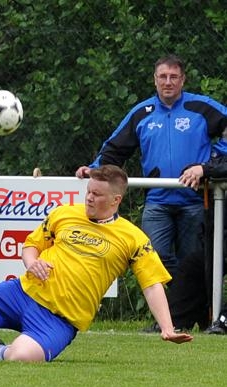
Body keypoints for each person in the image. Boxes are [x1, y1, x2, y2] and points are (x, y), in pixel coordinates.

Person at [0, 165, 193, 362]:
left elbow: (152, 285)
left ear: (116, 200)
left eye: (97, 194)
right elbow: (31, 246)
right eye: (88, 192)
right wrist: (31, 263)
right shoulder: (65, 213)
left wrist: (167, 328)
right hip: (22, 292)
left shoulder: (133, 237)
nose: (89, 199)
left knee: (21, 357)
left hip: (60, 319)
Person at [76, 55, 227, 332]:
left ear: (183, 80)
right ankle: (169, 319)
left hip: (195, 199)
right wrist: (95, 170)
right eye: (162, 77)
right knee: (153, 260)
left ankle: (202, 318)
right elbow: (115, 149)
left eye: (173, 77)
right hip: (157, 200)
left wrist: (210, 165)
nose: (167, 82)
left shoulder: (200, 107)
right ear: (154, 80)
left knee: (195, 263)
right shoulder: (142, 113)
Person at [180, 156, 227, 334]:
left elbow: (210, 169)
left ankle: (223, 321)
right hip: (220, 237)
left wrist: (206, 171)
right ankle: (174, 321)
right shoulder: (221, 158)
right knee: (194, 265)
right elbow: (189, 169)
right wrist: (197, 169)